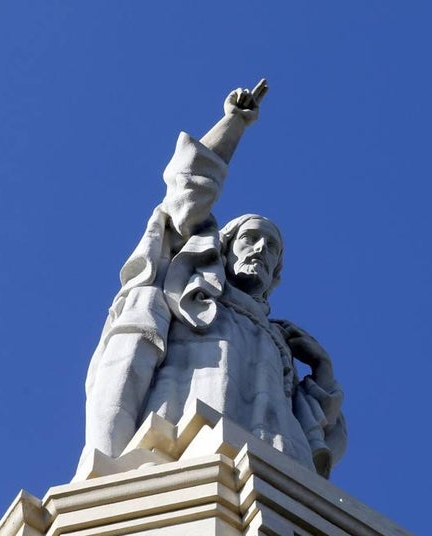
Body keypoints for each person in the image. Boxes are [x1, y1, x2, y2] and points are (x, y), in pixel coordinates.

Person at [76, 83, 346, 480]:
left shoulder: (280, 341)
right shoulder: (188, 288)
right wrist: (234, 123)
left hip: (271, 470)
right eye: (249, 238)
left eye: (271, 247)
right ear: (224, 247)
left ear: (277, 273)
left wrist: (322, 369)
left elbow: (318, 441)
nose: (259, 250)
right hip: (177, 444)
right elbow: (189, 186)